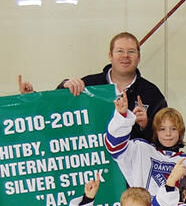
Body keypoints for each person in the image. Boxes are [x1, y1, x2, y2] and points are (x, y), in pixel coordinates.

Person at [20, 32, 166, 141]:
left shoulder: (152, 94)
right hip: (93, 170)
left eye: (131, 51)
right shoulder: (89, 85)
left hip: (134, 176)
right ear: (110, 55)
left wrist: (146, 125)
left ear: (139, 57)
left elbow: (168, 138)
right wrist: (36, 97)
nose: (125, 56)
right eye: (120, 51)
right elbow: (54, 113)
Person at [104, 93, 186, 196]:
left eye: (173, 129)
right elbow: (114, 146)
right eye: (162, 129)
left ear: (181, 132)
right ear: (155, 131)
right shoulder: (141, 149)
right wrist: (122, 117)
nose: (168, 134)